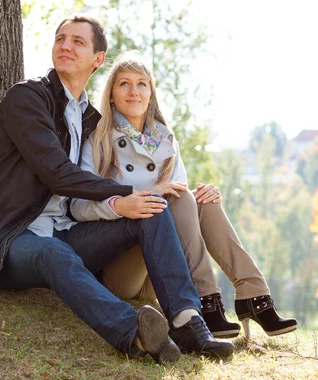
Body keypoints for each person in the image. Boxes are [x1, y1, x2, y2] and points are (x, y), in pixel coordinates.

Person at [0, 16, 234, 363]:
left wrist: (140, 196)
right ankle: (135, 333)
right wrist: (122, 194)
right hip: (8, 239)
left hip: (66, 233)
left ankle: (187, 321)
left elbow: (96, 185)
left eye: (77, 42)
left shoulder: (88, 118)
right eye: (61, 39)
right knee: (52, 252)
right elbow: (58, 174)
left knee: (151, 207)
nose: (65, 46)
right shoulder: (27, 99)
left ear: (97, 60)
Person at [70, 52, 298, 339]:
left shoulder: (164, 139)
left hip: (163, 272)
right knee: (170, 202)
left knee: (202, 200)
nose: (134, 92)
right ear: (112, 95)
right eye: (124, 84)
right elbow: (77, 206)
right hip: (121, 270)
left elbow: (182, 202)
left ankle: (253, 294)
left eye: (141, 84)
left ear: (151, 93)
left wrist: (205, 192)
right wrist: (136, 199)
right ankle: (206, 299)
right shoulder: (98, 139)